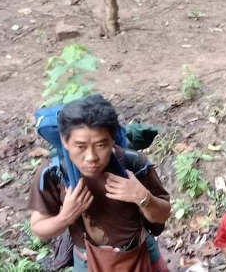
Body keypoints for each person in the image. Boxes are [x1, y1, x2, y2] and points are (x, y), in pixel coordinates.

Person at [28, 95, 171, 271]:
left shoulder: (132, 164)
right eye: (80, 146)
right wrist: (66, 216)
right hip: (87, 260)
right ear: (65, 141)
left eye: (101, 145)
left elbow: (163, 214)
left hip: (141, 251)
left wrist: (142, 197)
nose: (91, 157)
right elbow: (39, 228)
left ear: (113, 139)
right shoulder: (54, 173)